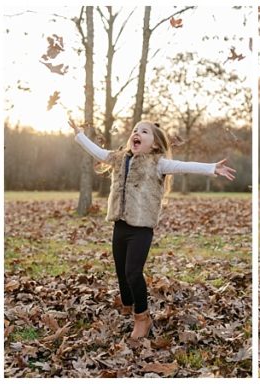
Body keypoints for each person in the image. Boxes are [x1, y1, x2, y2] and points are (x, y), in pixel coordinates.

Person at [71, 119, 236, 339]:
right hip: (120, 225)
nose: (137, 133)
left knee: (132, 272)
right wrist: (80, 134)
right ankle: (129, 304)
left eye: (144, 132)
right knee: (121, 273)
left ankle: (142, 318)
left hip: (141, 229)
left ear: (155, 144)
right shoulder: (119, 158)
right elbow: (98, 152)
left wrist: (211, 168)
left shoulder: (158, 163)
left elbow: (183, 166)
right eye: (135, 131)